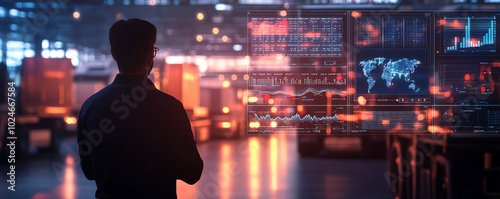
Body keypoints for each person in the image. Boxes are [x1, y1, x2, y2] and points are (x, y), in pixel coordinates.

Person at [77, 18, 203, 199]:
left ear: (113, 54)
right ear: (150, 55)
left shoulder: (90, 107)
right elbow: (192, 172)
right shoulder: (171, 108)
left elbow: (89, 171)